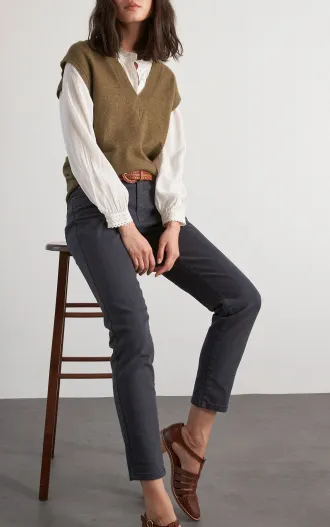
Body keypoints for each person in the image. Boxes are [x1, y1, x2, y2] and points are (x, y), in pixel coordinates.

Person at [56, 1, 262, 526]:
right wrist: (123, 224)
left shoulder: (165, 80)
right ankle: (154, 492)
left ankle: (192, 441)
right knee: (133, 330)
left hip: (154, 211)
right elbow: (83, 152)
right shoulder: (82, 61)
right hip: (96, 209)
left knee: (240, 299)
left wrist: (172, 223)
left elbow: (172, 160)